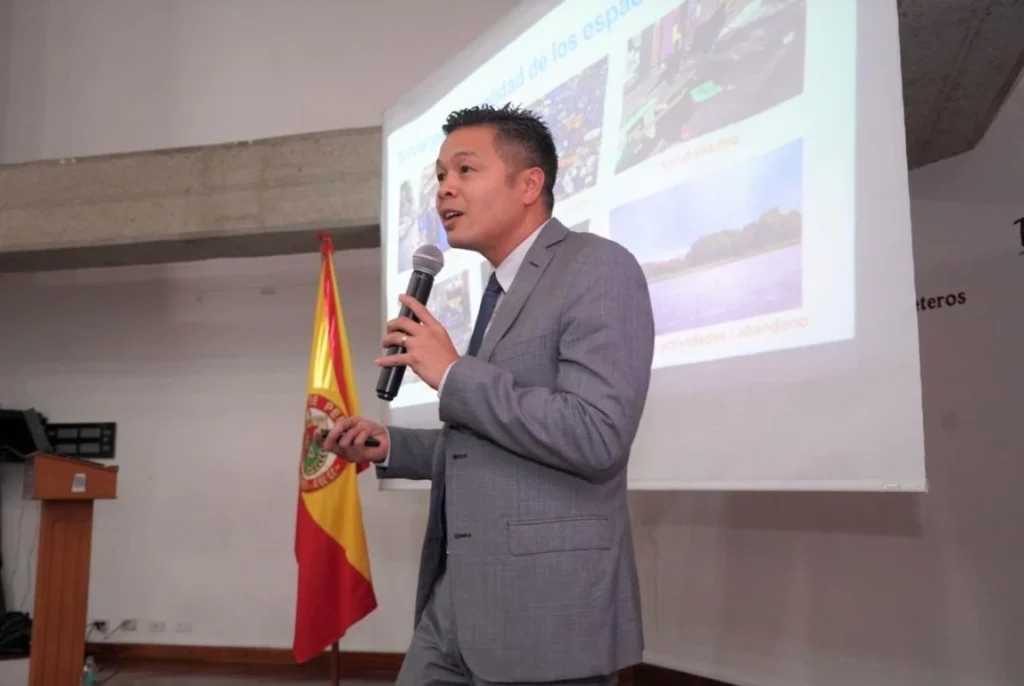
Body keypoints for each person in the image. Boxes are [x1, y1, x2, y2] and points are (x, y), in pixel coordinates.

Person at [321, 103, 655, 686]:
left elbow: (596, 434)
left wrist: (453, 373)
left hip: (545, 610)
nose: (444, 189)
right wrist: (389, 445)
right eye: (440, 176)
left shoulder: (597, 267)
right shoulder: (499, 291)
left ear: (529, 184)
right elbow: (491, 442)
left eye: (465, 170)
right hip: (456, 600)